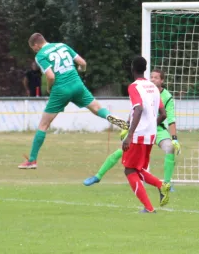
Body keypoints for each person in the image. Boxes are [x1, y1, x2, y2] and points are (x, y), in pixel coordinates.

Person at [18, 33, 128, 169]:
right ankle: (123, 124)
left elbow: (51, 76)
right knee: (97, 108)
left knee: (43, 125)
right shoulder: (62, 45)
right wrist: (81, 70)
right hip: (77, 84)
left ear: (36, 45)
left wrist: (49, 88)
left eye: (33, 48)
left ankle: (32, 161)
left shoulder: (40, 55)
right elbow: (82, 63)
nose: (34, 50)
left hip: (60, 89)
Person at [83, 68, 181, 188]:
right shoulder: (145, 90)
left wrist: (174, 138)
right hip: (141, 130)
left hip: (158, 129)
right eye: (152, 77)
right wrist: (127, 127)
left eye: (156, 77)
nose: (153, 79)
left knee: (170, 148)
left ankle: (167, 184)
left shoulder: (167, 97)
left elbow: (170, 118)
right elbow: (135, 110)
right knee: (121, 151)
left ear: (162, 80)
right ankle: (98, 176)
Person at [121, 56, 171, 213]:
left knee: (129, 170)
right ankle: (161, 185)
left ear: (132, 68)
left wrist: (130, 135)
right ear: (144, 68)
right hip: (150, 135)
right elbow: (163, 113)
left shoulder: (134, 87)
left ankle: (149, 208)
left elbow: (139, 108)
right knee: (138, 169)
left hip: (138, 135)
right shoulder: (153, 87)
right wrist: (151, 125)